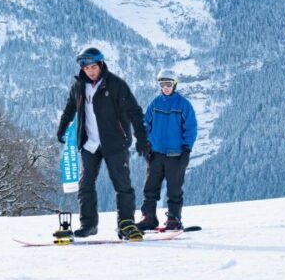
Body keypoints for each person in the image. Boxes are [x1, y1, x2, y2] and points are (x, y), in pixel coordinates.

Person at [57, 47, 151, 241]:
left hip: (114, 143)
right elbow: (69, 109)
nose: (90, 71)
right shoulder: (78, 87)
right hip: (90, 144)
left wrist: (142, 138)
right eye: (86, 68)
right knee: (86, 185)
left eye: (93, 67)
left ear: (100, 65)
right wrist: (62, 128)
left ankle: (125, 224)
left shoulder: (116, 85)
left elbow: (134, 111)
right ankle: (88, 224)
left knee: (122, 184)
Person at [137, 69, 197, 231]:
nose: (166, 87)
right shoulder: (155, 103)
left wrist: (187, 149)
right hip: (156, 154)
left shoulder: (183, 104)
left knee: (174, 188)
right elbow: (145, 125)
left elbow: (191, 128)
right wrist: (146, 145)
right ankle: (149, 217)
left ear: (175, 85)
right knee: (150, 187)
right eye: (162, 84)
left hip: (175, 155)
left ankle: (174, 218)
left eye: (169, 84)